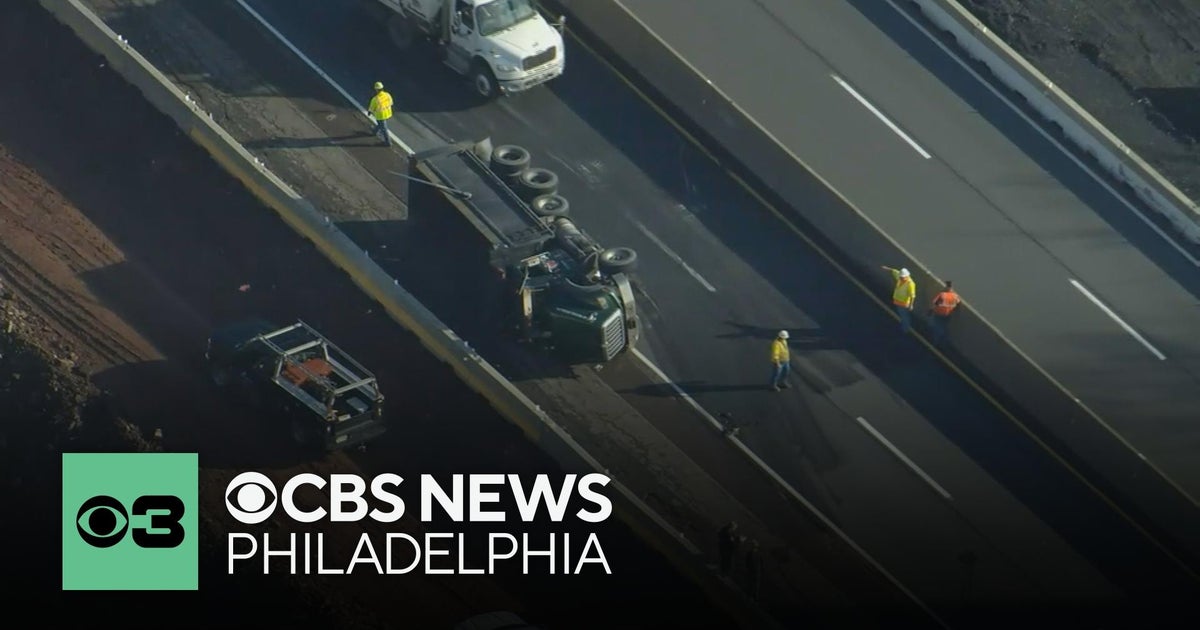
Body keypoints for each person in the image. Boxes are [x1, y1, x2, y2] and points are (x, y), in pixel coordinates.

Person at [880, 265, 916, 333]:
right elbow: (894, 270)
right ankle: (903, 326)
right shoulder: (899, 277)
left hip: (903, 303)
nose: (901, 278)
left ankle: (905, 329)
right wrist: (886, 268)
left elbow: (912, 296)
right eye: (901, 277)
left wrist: (911, 305)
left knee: (904, 316)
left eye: (902, 277)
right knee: (902, 314)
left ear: (907, 276)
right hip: (897, 301)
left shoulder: (910, 284)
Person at [928, 280, 961, 344]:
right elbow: (958, 305)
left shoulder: (942, 295)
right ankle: (943, 340)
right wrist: (953, 310)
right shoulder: (955, 296)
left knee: (937, 326)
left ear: (946, 287)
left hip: (939, 314)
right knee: (944, 327)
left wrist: (930, 311)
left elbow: (934, 303)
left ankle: (935, 341)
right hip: (947, 315)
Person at [367, 81, 394, 147]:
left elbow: (372, 107)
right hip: (387, 113)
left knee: (384, 129)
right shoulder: (387, 95)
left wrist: (369, 112)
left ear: (376, 89)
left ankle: (388, 142)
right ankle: (374, 131)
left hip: (380, 115)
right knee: (381, 125)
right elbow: (391, 103)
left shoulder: (375, 99)